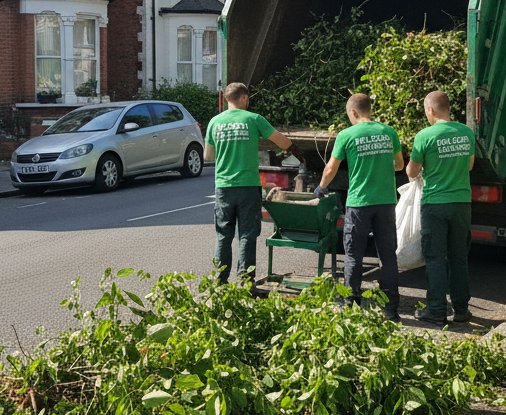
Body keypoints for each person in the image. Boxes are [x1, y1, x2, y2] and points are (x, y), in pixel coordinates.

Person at [316, 93, 404, 320]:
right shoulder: (389, 131)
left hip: (359, 203)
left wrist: (321, 187)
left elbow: (331, 169)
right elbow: (399, 165)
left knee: (354, 254)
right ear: (369, 109)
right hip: (386, 202)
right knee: (388, 255)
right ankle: (391, 309)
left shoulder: (346, 135)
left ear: (353, 112)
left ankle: (350, 306)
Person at [204, 82, 296, 284]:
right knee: (247, 234)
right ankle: (245, 282)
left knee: (223, 236)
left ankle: (220, 282)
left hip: (224, 187)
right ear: (244, 98)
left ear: (227, 98)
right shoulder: (254, 119)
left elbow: (208, 155)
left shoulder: (214, 122)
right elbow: (283, 142)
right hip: (248, 186)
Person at [405, 91, 477, 327]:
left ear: (430, 110)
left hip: (435, 204)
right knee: (459, 257)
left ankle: (436, 311)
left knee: (435, 259)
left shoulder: (424, 136)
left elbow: (412, 172)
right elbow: (469, 165)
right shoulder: (467, 132)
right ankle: (461, 309)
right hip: (462, 203)